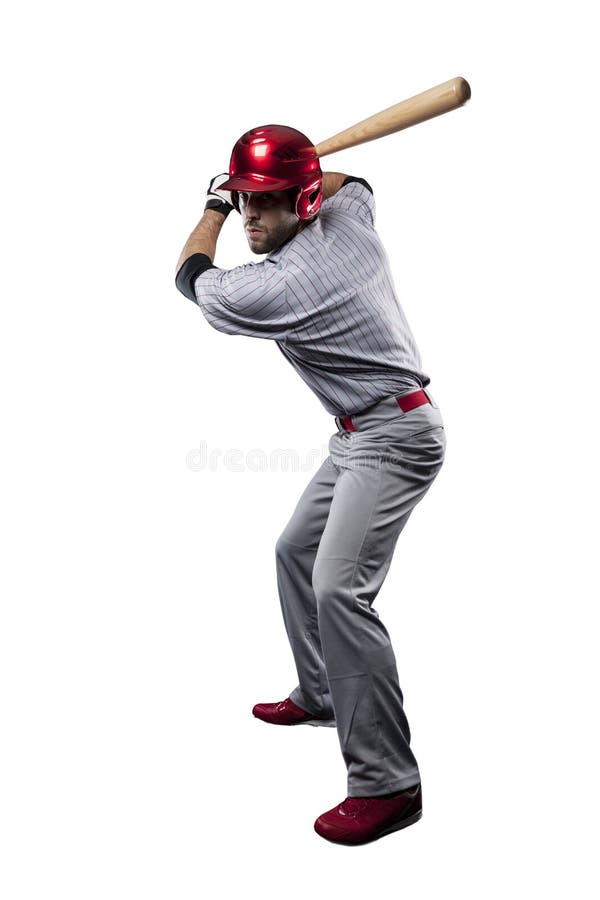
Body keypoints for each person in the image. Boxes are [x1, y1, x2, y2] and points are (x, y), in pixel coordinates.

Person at [175, 124, 446, 845]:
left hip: (396, 438)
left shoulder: (279, 284)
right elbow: (353, 184)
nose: (251, 217)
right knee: (294, 551)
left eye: (263, 203)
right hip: (360, 432)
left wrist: (213, 207)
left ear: (300, 198)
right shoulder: (348, 216)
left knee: (338, 588)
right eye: (243, 201)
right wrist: (290, 173)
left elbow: (190, 276)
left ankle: (389, 783)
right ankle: (324, 692)